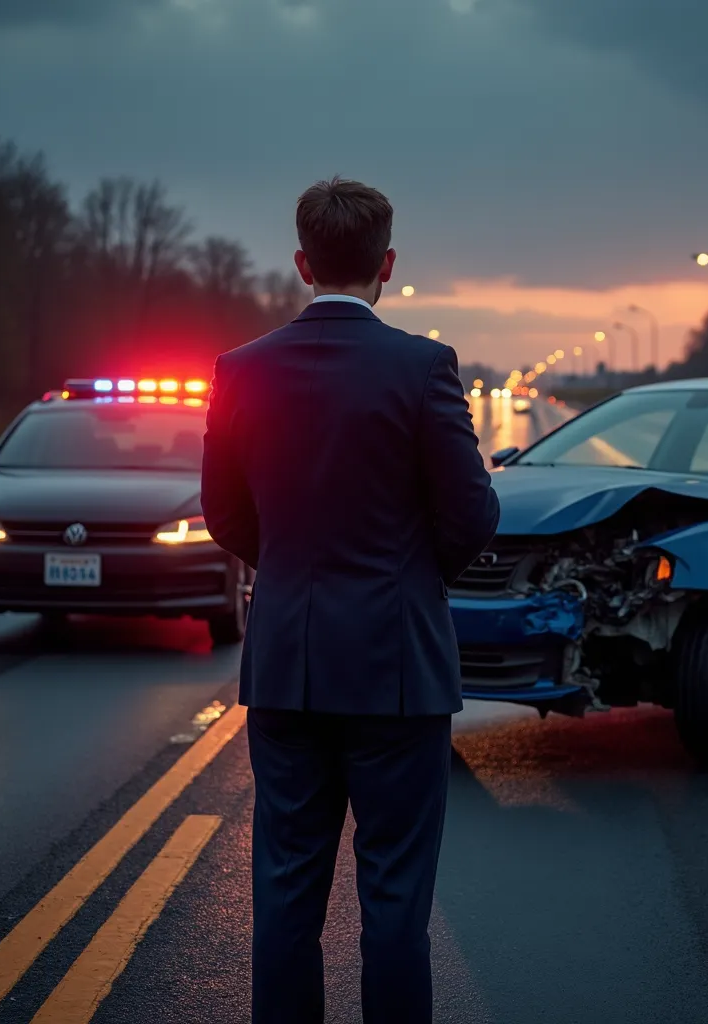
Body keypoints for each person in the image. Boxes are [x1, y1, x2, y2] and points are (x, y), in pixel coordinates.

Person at [201, 176, 500, 1024]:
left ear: (302, 264)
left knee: (285, 895)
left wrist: (290, 570)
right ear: (388, 265)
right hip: (396, 669)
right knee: (397, 902)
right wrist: (408, 582)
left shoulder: (240, 370)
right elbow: (472, 514)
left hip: (288, 667)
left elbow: (223, 513)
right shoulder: (423, 366)